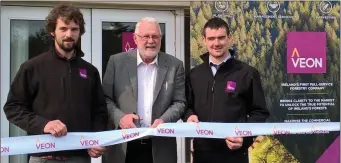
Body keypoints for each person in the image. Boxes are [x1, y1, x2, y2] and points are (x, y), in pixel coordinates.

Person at [3, 3, 108, 163]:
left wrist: (97, 139)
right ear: (52, 31)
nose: (69, 34)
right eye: (63, 29)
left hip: (79, 157)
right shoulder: (32, 67)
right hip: (43, 157)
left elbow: (99, 112)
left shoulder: (90, 71)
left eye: (74, 29)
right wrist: (44, 124)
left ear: (80, 32)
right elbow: (13, 108)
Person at [183, 17, 270, 163]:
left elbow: (260, 112)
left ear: (229, 38)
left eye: (221, 38)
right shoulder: (194, 74)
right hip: (202, 154)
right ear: (204, 40)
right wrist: (189, 115)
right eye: (211, 38)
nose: (216, 43)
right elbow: (186, 106)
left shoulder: (247, 73)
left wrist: (244, 138)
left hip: (234, 154)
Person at [102, 17, 186, 163]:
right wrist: (120, 118)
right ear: (135, 38)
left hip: (160, 148)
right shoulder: (116, 62)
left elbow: (180, 102)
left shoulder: (175, 65)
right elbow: (105, 98)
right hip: (123, 146)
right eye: (146, 36)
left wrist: (164, 120)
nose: (151, 41)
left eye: (155, 36)